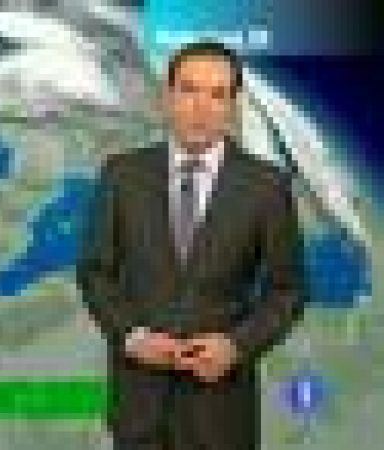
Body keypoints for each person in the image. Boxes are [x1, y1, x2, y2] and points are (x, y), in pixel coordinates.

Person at [76, 40, 307, 450]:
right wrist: (132, 337)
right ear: (168, 96)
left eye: (217, 95)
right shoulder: (122, 175)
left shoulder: (268, 187)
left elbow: (287, 291)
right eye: (189, 90)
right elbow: (95, 273)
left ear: (233, 106)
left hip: (220, 412)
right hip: (139, 408)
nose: (201, 108)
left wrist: (235, 346)